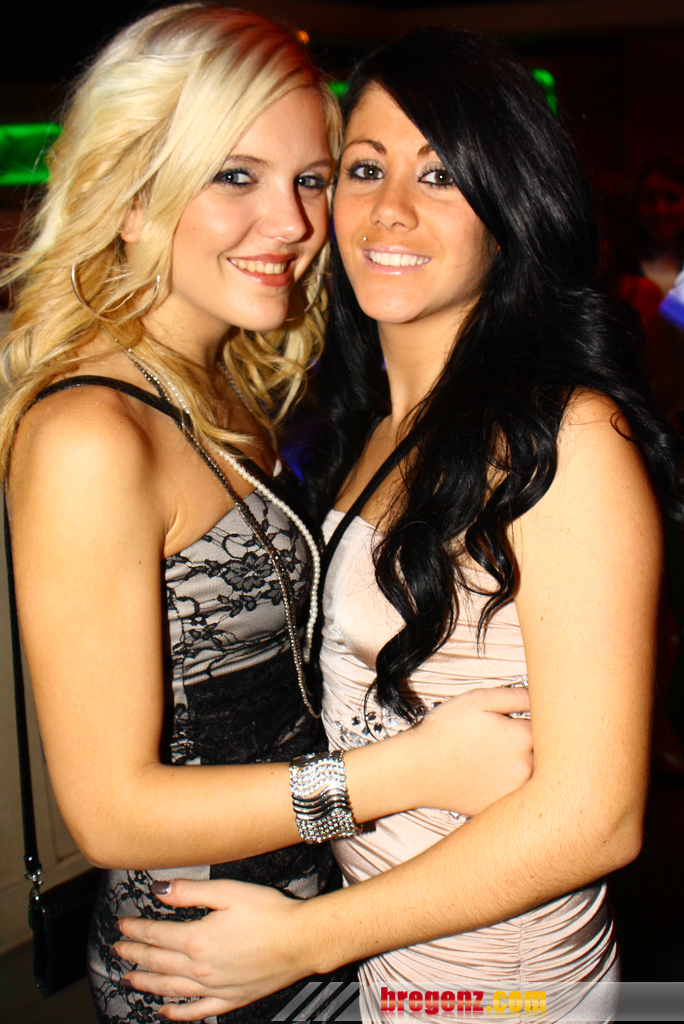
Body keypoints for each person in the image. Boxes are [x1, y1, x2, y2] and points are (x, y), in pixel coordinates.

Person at [113, 28, 684, 1024]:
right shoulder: (370, 426)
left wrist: (301, 940)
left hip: (511, 995)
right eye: (365, 169)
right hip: (394, 972)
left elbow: (597, 817)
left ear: (508, 205)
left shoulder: (566, 438)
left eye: (441, 175)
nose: (391, 210)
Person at [0, 9, 535, 1024]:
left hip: (302, 918)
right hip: (203, 963)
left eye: (313, 179)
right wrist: (406, 772)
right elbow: (111, 812)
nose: (291, 223)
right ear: (130, 197)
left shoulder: (221, 386)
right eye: (235, 176)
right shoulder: (90, 436)